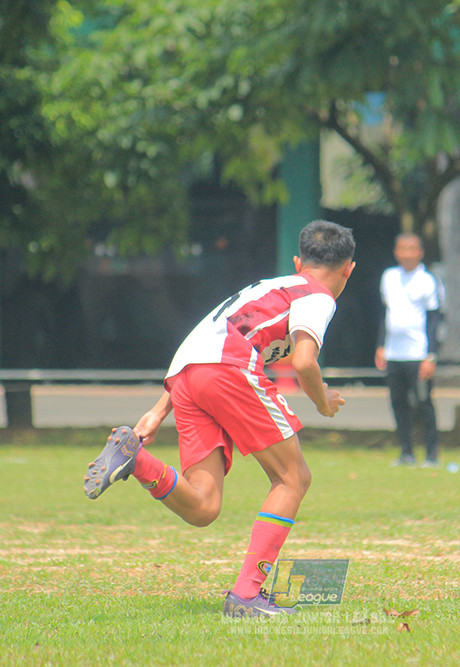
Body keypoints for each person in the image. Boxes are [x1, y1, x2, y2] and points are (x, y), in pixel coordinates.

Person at [82, 220, 355, 618]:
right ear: (349, 269)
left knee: (203, 506)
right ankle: (246, 596)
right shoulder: (318, 295)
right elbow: (303, 360)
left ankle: (136, 460)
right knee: (293, 478)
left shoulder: (266, 286)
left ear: (299, 261)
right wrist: (323, 400)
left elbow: (203, 343)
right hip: (229, 368)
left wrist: (159, 410)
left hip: (189, 374)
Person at [374, 232, 443, 467]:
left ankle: (432, 454)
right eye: (403, 249)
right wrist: (380, 345)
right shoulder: (389, 277)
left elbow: (434, 320)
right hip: (394, 353)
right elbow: (385, 314)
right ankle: (406, 453)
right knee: (398, 403)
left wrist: (430, 355)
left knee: (424, 403)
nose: (407, 254)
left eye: (412, 249)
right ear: (396, 252)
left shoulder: (427, 280)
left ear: (420, 252)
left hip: (418, 354)